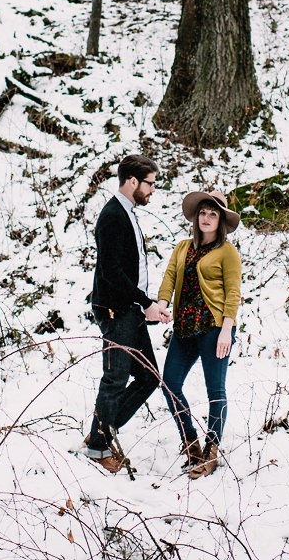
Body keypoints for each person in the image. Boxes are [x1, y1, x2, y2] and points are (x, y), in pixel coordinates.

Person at [83, 153, 169, 474]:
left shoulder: (127, 213)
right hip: (116, 310)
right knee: (116, 378)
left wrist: (146, 303)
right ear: (132, 181)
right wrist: (142, 301)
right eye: (150, 184)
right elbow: (111, 272)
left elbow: (130, 269)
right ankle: (98, 448)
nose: (153, 190)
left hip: (130, 308)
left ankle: (101, 431)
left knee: (149, 377)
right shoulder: (112, 216)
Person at [155, 190, 242, 479]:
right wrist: (163, 304)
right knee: (170, 384)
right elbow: (169, 277)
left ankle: (211, 451)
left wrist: (227, 330)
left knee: (215, 392)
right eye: (203, 213)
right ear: (196, 217)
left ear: (221, 221)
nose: (206, 218)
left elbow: (233, 293)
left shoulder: (227, 252)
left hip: (214, 329)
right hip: (184, 328)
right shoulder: (182, 247)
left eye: (213, 214)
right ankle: (190, 441)